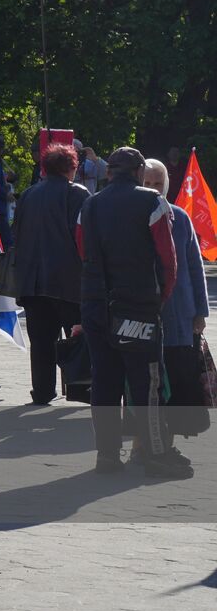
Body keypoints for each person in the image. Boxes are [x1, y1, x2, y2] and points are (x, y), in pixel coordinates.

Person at [78, 147, 184, 477]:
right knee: (146, 382)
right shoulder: (152, 202)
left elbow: (83, 251)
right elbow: (168, 260)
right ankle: (154, 454)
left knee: (105, 382)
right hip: (138, 307)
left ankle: (107, 457)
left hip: (97, 306)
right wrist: (160, 299)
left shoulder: (89, 204)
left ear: (110, 172)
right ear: (139, 172)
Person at [11, 143, 90, 405]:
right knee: (78, 337)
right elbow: (84, 238)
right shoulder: (77, 194)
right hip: (68, 281)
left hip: (33, 282)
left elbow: (17, 234)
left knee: (41, 341)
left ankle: (42, 392)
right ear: (72, 168)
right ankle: (80, 389)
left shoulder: (28, 195)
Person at [143, 158, 209, 456]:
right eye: (147, 183)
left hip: (179, 313)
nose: (154, 189)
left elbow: (195, 267)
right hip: (145, 312)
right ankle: (148, 442)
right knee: (149, 380)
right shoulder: (134, 215)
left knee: (178, 375)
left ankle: (169, 438)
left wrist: (200, 312)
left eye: (158, 183)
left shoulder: (180, 217)